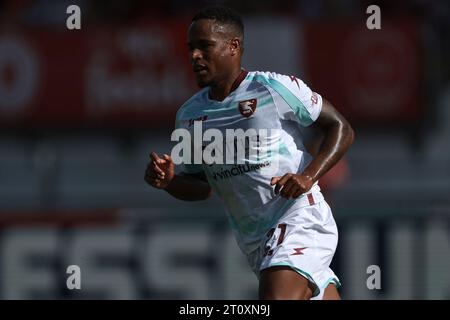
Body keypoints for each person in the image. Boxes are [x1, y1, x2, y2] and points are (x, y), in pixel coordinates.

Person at [145, 5, 354, 300]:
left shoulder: (273, 88)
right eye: (191, 48)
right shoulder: (189, 116)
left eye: (204, 47)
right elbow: (202, 187)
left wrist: (308, 176)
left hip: (298, 218)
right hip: (256, 241)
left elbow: (340, 127)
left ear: (234, 46)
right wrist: (168, 182)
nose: (194, 56)